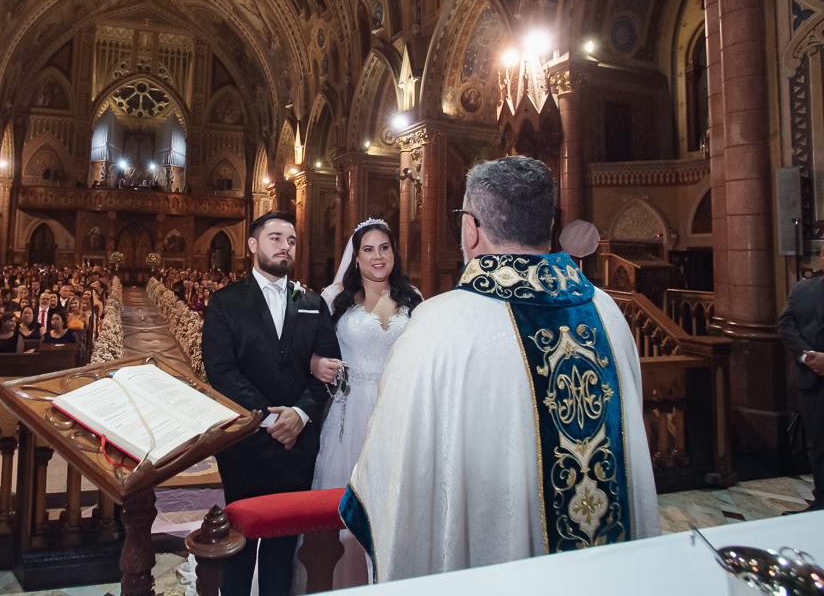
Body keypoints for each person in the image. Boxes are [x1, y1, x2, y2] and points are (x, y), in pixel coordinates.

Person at [340, 157, 659, 581]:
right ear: (546, 225)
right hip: (609, 576)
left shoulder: (440, 324)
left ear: (471, 229)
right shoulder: (607, 313)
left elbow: (398, 473)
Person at [202, 211, 340, 596]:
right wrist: (268, 419)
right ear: (253, 245)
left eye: (291, 240)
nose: (285, 247)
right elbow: (222, 372)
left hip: (297, 445)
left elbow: (328, 371)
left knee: (282, 551)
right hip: (246, 444)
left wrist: (298, 414)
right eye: (276, 238)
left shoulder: (312, 302)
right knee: (240, 548)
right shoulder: (225, 302)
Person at [301, 218, 423, 588]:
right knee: (346, 495)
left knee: (392, 499)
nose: (377, 256)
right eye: (368, 249)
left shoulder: (413, 298)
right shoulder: (334, 298)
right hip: (349, 411)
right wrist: (315, 363)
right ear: (355, 258)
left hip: (395, 409)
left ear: (394, 252)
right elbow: (302, 349)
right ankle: (340, 580)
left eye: (384, 248)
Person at [779, 251, 824, 513]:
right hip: (811, 380)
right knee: (818, 445)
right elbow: (786, 325)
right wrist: (808, 357)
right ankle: (821, 502)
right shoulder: (802, 289)